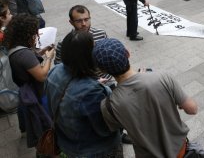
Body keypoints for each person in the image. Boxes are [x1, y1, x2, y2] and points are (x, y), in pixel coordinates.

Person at [93, 38, 198, 157]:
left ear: (102, 70)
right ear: (127, 53)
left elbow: (118, 126)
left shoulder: (108, 105)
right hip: (180, 151)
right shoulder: (162, 77)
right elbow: (192, 109)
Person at [45, 31, 122, 157]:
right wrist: (109, 91)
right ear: (88, 56)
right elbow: (105, 128)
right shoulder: (91, 92)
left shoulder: (55, 71)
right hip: (93, 150)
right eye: (94, 47)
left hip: (66, 140)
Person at [4, 14, 55, 149]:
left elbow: (28, 64)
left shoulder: (15, 47)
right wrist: (49, 58)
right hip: (36, 93)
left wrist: (42, 52)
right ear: (26, 34)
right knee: (45, 124)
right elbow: (42, 76)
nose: (36, 35)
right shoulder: (24, 54)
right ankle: (47, 147)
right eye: (34, 33)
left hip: (25, 90)